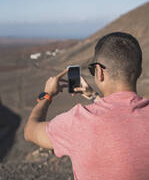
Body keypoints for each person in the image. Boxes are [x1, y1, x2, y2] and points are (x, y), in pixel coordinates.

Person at [24, 32, 149, 180]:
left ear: (100, 72)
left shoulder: (77, 122)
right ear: (139, 72)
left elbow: (30, 131)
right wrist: (94, 96)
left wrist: (47, 95)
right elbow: (122, 117)